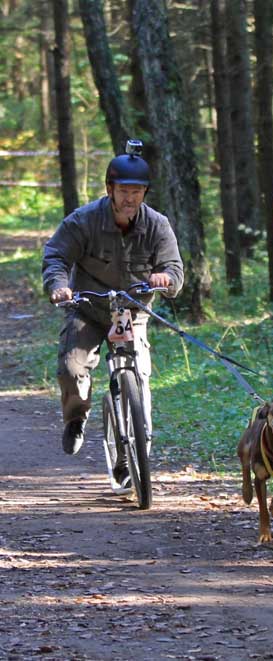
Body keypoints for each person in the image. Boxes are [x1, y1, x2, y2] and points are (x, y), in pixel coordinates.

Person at [42, 140, 184, 485]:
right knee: (71, 367)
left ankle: (136, 452)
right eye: (123, 190)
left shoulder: (157, 225)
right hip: (88, 308)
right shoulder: (84, 221)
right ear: (110, 189)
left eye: (137, 191)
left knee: (140, 377)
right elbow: (56, 256)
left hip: (133, 313)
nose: (130, 198)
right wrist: (59, 287)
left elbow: (174, 269)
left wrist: (165, 279)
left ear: (145, 193)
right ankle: (76, 418)